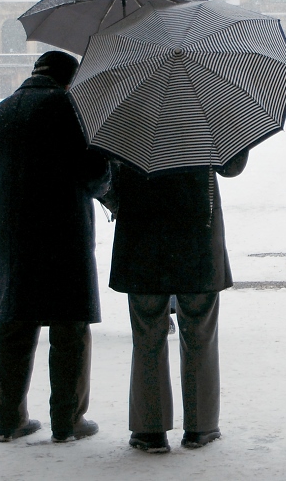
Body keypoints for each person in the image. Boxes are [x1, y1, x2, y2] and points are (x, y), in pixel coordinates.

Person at [0, 51, 110, 444]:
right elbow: (94, 177)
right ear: (68, 80)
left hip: (12, 235)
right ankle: (67, 420)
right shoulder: (71, 109)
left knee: (14, 324)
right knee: (69, 326)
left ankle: (8, 420)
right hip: (62, 230)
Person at [102, 150, 249, 453]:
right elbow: (232, 166)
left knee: (147, 334)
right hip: (197, 229)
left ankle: (149, 430)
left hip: (142, 233)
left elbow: (104, 172)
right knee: (200, 329)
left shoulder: (128, 110)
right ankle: (201, 426)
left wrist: (121, 200)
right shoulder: (203, 110)